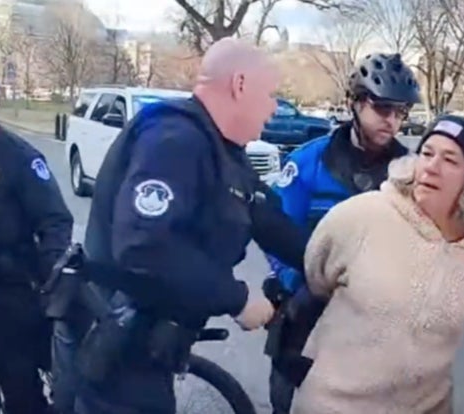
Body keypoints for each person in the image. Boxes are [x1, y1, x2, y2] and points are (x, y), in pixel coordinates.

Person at [69, 37, 310, 414]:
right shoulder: (173, 139)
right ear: (240, 84)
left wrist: (328, 261)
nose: (274, 107)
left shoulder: (223, 152)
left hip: (154, 349)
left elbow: (266, 218)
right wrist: (238, 298)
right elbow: (144, 245)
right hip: (122, 352)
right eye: (270, 94)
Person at [291, 115, 464, 414]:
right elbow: (316, 272)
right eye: (427, 153)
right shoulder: (363, 216)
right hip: (333, 404)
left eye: (450, 160)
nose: (431, 166)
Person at [264, 52, 422, 414]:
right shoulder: (308, 161)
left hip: (375, 321)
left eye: (401, 113)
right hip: (307, 308)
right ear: (356, 103)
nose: (393, 122)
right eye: (383, 109)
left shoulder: (410, 173)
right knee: (286, 400)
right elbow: (275, 230)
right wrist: (292, 283)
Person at [0, 57, 73, 414]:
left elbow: (55, 221)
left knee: (21, 393)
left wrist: (53, 277)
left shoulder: (16, 156)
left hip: (9, 291)